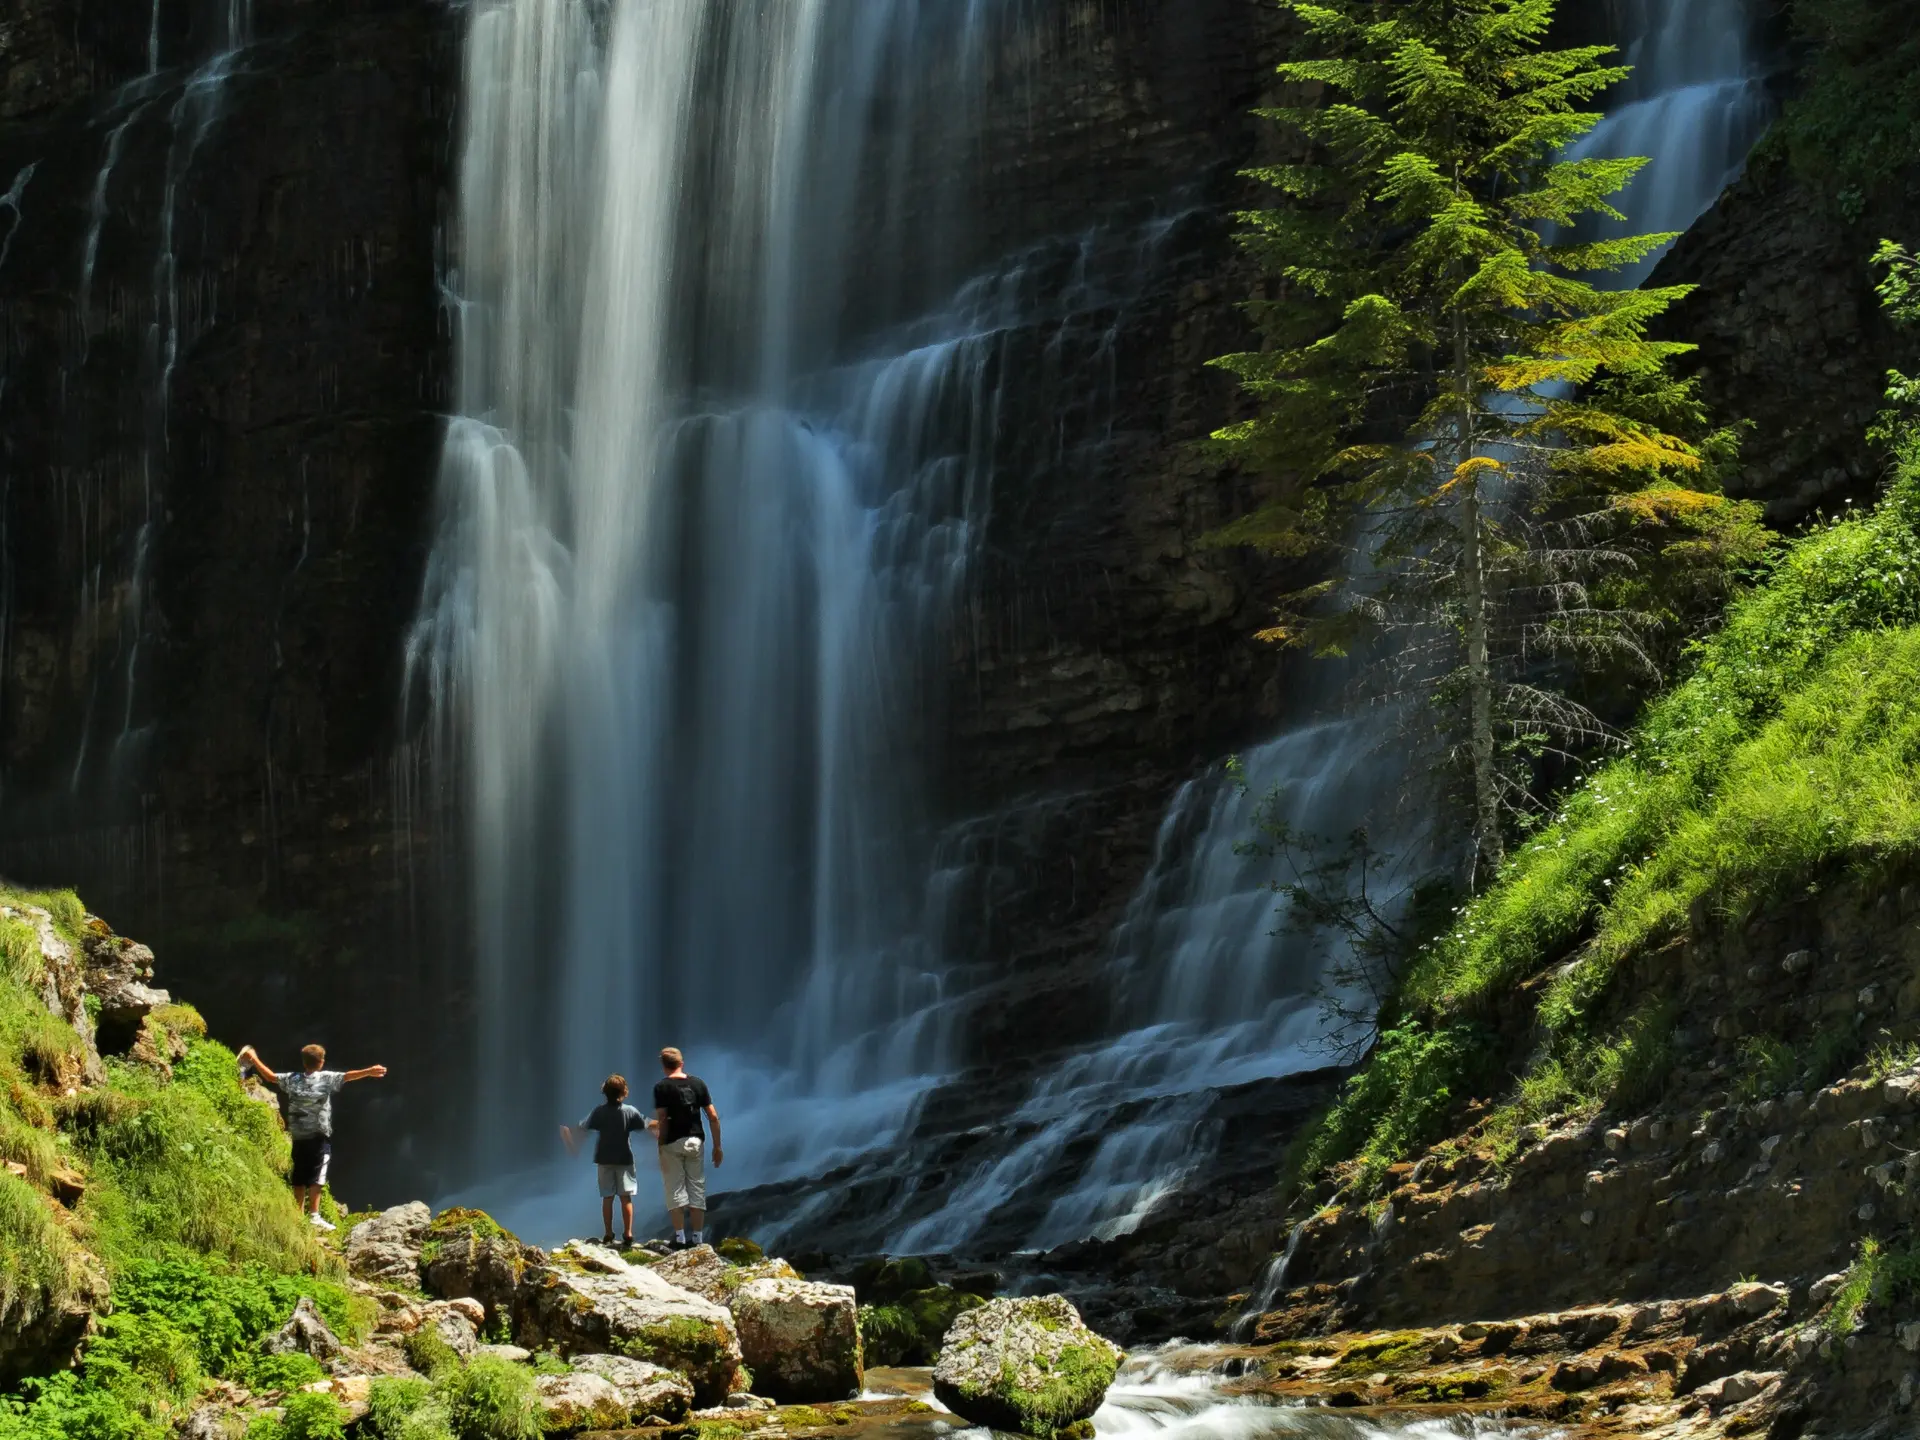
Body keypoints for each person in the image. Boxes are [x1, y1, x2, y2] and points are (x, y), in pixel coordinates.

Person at [236, 1042, 387, 1229]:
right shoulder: (325, 1078)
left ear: (304, 1062)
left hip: (299, 1136)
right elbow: (347, 1076)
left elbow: (271, 1077)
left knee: (299, 1175)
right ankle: (314, 1216)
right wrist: (369, 1071)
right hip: (318, 1135)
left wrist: (254, 1059)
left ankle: (298, 1215)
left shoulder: (293, 1079)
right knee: (317, 1175)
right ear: (321, 1062)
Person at [560, 1074, 654, 1247]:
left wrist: (569, 1133)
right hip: (625, 1158)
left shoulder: (599, 1112)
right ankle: (628, 1233)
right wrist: (663, 1124)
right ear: (624, 1091)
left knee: (607, 1197)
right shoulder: (630, 1111)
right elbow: (647, 1125)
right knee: (626, 1197)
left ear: (605, 1092)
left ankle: (608, 1233)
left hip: (604, 1159)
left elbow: (583, 1127)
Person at [653, 1047, 722, 1250]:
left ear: (664, 1066)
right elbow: (713, 1116)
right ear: (682, 1063)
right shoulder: (698, 1083)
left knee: (674, 1188)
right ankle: (698, 1238)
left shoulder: (661, 1087)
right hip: (695, 1140)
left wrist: (660, 1144)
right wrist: (717, 1146)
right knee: (696, 1187)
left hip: (672, 1142)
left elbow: (663, 1119)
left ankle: (680, 1237)